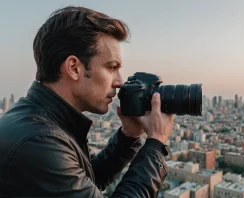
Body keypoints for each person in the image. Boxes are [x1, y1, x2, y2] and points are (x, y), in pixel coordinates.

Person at [0, 6, 174, 197]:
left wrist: (129, 136)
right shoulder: (38, 141)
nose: (120, 81)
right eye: (112, 67)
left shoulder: (45, 122)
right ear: (74, 68)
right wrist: (156, 144)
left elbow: (90, 179)